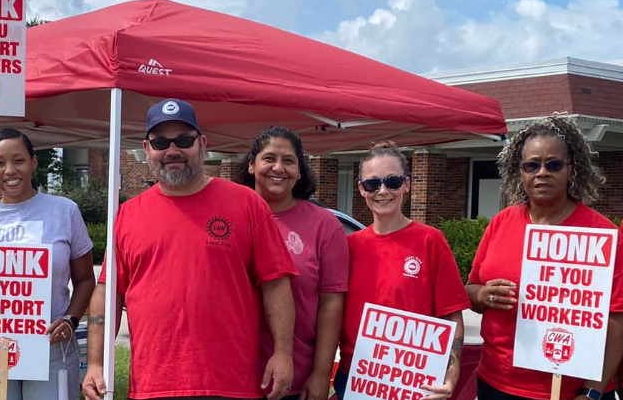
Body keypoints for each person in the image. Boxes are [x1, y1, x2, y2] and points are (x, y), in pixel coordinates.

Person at [82, 99, 299, 400]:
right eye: (160, 142)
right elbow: (108, 293)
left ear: (202, 144)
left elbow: (276, 283)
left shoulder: (247, 204)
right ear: (146, 149)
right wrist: (95, 363)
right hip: (153, 384)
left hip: (231, 384)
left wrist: (283, 354)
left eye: (184, 140)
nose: (173, 151)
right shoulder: (127, 215)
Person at [465, 115, 623, 400]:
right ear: (520, 172)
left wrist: (592, 391)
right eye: (532, 165)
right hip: (495, 382)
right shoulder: (501, 222)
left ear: (572, 170)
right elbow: (471, 288)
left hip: (570, 391)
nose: (542, 173)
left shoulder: (602, 235)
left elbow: (617, 319)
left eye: (554, 164)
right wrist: (482, 295)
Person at [0, 128, 96, 399]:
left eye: (18, 160)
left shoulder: (64, 211)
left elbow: (86, 279)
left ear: (33, 162)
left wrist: (71, 319)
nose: (10, 170)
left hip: (51, 344)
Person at [334, 141, 468, 400]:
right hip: (356, 378)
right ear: (362, 189)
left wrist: (451, 371)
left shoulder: (431, 241)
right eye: (372, 184)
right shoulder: (348, 246)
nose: (382, 191)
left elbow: (451, 314)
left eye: (392, 181)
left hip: (413, 380)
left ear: (406, 184)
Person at [238, 126, 349, 400]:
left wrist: (322, 373)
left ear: (299, 171)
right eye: (269, 158)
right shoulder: (230, 217)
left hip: (294, 379)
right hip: (230, 375)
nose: (278, 168)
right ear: (252, 165)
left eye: (288, 161)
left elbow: (331, 304)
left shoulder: (324, 225)